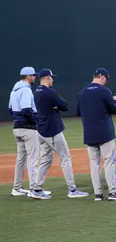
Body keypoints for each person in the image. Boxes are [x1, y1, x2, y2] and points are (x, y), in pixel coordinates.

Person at [33, 69, 88, 199]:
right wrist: (56, 107)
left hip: (41, 130)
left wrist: (55, 107)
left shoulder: (37, 91)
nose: (52, 80)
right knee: (65, 159)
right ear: (47, 78)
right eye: (51, 78)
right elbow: (64, 105)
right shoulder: (49, 92)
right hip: (52, 131)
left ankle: (36, 188)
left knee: (46, 160)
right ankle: (72, 189)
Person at [77, 68, 116, 201]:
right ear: (103, 77)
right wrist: (115, 100)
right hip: (104, 133)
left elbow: (78, 111)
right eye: (106, 79)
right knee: (109, 162)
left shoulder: (82, 92)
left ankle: (98, 194)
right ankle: (113, 193)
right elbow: (114, 110)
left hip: (89, 133)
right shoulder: (104, 91)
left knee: (94, 165)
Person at [9, 67, 42, 198]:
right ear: (28, 76)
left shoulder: (14, 90)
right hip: (28, 128)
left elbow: (11, 110)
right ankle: (35, 189)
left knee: (21, 159)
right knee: (33, 159)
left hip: (17, 127)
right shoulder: (26, 90)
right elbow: (27, 109)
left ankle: (16, 188)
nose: (35, 77)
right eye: (33, 75)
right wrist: (36, 122)